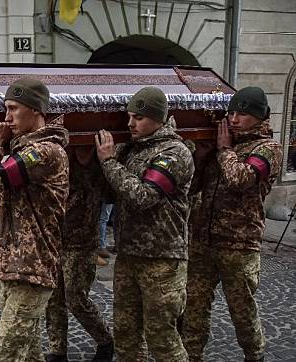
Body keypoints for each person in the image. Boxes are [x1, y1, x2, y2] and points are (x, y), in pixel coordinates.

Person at [181, 87, 283, 362]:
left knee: (242, 311)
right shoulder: (221, 146)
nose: (234, 119)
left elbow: (240, 179)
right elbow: (192, 188)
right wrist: (203, 156)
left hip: (239, 245)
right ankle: (191, 356)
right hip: (203, 240)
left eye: (242, 113)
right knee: (194, 309)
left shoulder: (268, 149)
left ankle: (254, 355)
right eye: (232, 112)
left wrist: (225, 150)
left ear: (259, 117)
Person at [0, 78, 69, 361]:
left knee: (2, 355)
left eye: (13, 108)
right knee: (28, 355)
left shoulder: (45, 152)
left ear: (36, 110)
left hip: (32, 269)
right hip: (13, 267)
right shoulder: (21, 149)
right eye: (5, 108)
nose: (6, 117)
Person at [95, 86, 194, 361]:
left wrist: (108, 162)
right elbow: (110, 191)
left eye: (138, 117)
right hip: (128, 256)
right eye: (128, 116)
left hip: (162, 260)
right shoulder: (132, 149)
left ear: (158, 118)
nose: (130, 123)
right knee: (126, 338)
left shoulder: (174, 152)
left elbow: (143, 195)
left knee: (162, 341)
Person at [45, 147, 114, 362]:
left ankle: (105, 340)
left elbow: (110, 194)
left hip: (83, 241)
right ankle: (58, 350)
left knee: (75, 297)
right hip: (55, 237)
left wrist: (100, 161)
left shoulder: (100, 162)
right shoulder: (60, 156)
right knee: (53, 299)